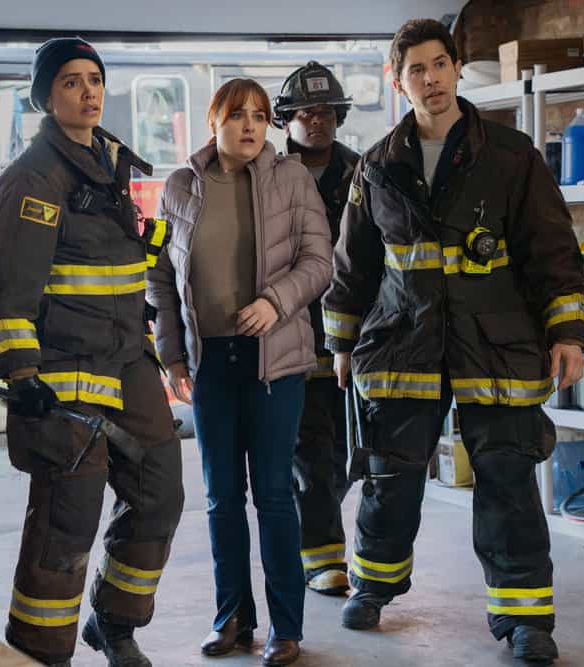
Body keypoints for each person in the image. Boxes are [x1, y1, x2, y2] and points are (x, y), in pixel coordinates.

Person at [322, 19, 584, 663]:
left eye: (440, 63)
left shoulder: (511, 154)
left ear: (457, 68)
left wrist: (568, 333)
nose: (431, 78)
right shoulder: (377, 166)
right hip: (402, 342)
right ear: (398, 80)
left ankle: (526, 618)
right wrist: (340, 341)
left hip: (494, 341)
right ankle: (373, 585)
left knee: (506, 477)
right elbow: (354, 262)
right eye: (416, 68)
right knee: (392, 474)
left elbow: (551, 249)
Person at [0, 38, 184, 667]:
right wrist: (21, 373)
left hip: (129, 364)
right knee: (66, 522)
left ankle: (115, 624)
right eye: (71, 81)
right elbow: (9, 291)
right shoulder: (34, 179)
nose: (88, 91)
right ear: (47, 96)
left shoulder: (111, 163)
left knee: (160, 493)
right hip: (65, 375)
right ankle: (40, 654)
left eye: (94, 79)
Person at [147, 78, 332, 667]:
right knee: (221, 499)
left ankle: (286, 627)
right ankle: (232, 619)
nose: (249, 126)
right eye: (236, 115)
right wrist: (171, 356)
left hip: (274, 361)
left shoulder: (292, 178)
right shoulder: (180, 187)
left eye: (259, 116)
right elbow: (161, 282)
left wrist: (276, 301)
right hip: (211, 364)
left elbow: (319, 261)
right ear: (213, 121)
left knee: (274, 495)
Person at [272, 61, 360, 597]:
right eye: (306, 111)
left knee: (349, 454)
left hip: (354, 340)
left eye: (326, 111)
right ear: (286, 119)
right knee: (310, 449)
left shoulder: (363, 171)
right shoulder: (270, 174)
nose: (317, 120)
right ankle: (322, 558)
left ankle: (319, 541)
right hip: (294, 335)